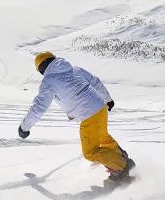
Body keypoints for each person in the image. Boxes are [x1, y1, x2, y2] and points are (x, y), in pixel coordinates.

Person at [17, 51, 135, 181]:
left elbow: (38, 108)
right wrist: (108, 99)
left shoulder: (49, 81)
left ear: (42, 67)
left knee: (90, 152)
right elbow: (95, 81)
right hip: (100, 107)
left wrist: (24, 127)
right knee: (103, 137)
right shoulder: (74, 69)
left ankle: (122, 166)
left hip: (88, 114)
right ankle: (120, 156)